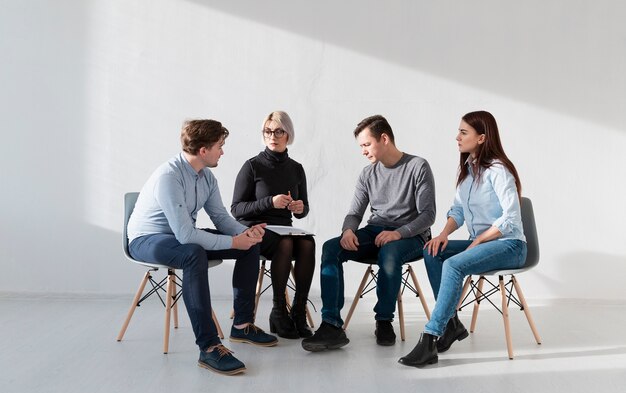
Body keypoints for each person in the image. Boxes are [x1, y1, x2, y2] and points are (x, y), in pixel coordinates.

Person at [127, 119, 278, 376]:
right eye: (220, 146)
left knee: (249, 246)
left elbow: (220, 217)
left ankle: (242, 325)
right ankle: (208, 347)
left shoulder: (207, 177)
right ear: (203, 150)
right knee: (193, 253)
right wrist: (232, 241)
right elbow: (186, 236)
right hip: (147, 240)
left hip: (179, 238)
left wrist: (245, 234)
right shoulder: (169, 177)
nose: (223, 151)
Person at [399, 110, 527, 367]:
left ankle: (430, 336)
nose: (457, 136)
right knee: (432, 250)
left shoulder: (499, 170)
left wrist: (479, 241)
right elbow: (457, 211)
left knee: (453, 264)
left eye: (463, 132)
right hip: (481, 242)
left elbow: (511, 218)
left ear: (481, 138)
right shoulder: (468, 171)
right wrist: (443, 235)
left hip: (508, 244)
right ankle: (452, 324)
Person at [301, 114, 436, 351]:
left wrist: (399, 233)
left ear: (384, 138)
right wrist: (348, 231)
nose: (363, 151)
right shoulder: (367, 174)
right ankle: (331, 325)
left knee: (389, 253)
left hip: (413, 235)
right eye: (361, 146)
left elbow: (428, 215)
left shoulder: (417, 166)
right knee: (331, 248)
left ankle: (384, 320)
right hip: (375, 231)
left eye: (366, 144)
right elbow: (354, 213)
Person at [231, 111, 315, 339]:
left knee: (308, 244)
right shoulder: (252, 166)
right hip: (256, 229)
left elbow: (304, 207)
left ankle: (298, 311)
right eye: (268, 131)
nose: (273, 136)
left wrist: (299, 208)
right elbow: (236, 209)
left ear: (288, 134)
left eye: (279, 131)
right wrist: (270, 202)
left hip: (284, 228)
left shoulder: (296, 168)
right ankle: (278, 311)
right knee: (285, 244)